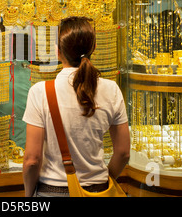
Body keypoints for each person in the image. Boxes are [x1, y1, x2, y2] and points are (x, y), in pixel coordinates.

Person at [22, 16, 130, 197]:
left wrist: (28, 195)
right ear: (93, 48)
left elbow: (32, 160)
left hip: (53, 191)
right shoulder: (111, 89)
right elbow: (123, 153)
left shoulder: (40, 92)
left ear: (57, 51)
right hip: (100, 188)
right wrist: (102, 180)